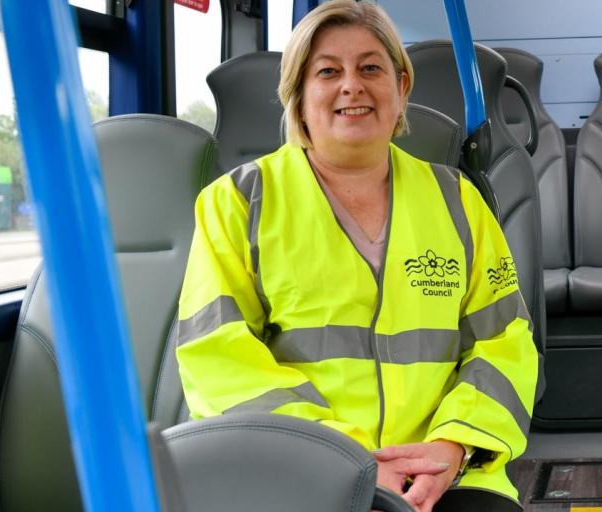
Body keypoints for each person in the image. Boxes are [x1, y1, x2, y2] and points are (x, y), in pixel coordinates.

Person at [175, 1, 538, 511]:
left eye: (371, 67)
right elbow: (216, 355)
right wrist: (344, 456)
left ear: (401, 87)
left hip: (445, 474)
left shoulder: (459, 200)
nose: (352, 86)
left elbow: (505, 343)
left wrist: (454, 446)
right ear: (297, 97)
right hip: (298, 468)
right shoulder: (236, 202)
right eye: (327, 71)